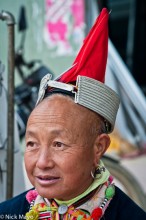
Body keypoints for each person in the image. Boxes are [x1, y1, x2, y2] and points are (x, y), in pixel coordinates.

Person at [0, 8, 146, 220]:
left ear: (99, 147)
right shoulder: (7, 214)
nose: (42, 162)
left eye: (58, 144)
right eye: (31, 144)